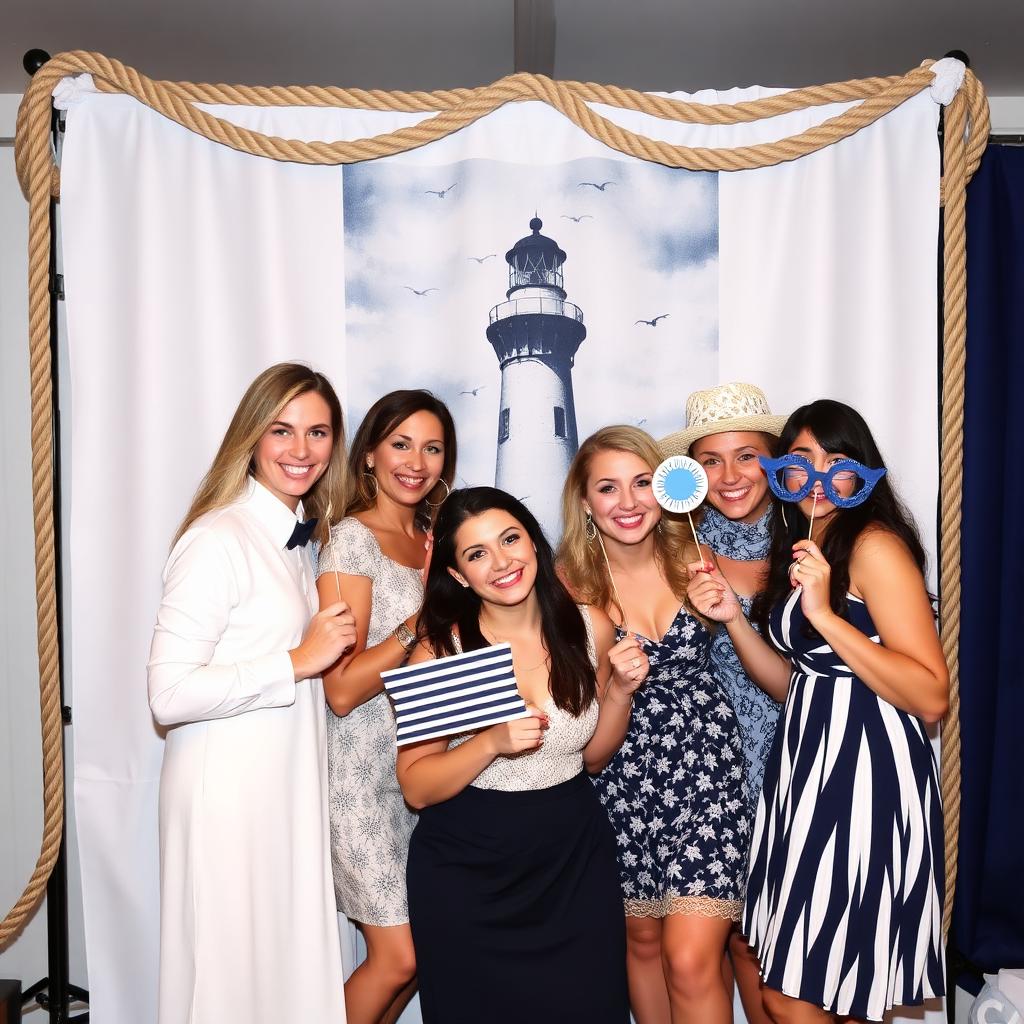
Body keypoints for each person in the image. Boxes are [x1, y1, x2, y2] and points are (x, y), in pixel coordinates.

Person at [687, 399, 947, 1023]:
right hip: (805, 768)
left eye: (839, 461)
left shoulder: (873, 546)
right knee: (817, 988)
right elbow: (795, 682)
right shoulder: (806, 541)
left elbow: (932, 693)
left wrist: (826, 616)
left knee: (799, 994)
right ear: (784, 472)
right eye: (802, 460)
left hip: (864, 778)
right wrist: (734, 623)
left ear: (864, 474)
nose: (819, 475)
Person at [148, 362, 355, 1024]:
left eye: (317, 432)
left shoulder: (300, 543)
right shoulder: (217, 538)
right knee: (229, 984)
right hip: (227, 801)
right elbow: (168, 694)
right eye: (282, 431)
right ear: (252, 437)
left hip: (283, 796)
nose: (301, 451)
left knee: (281, 980)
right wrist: (296, 661)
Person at [398, 487, 647, 1024]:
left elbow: (593, 758)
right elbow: (416, 787)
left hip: (572, 856)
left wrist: (621, 695)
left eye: (510, 539)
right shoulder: (443, 649)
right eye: (477, 553)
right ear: (459, 575)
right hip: (469, 868)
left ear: (534, 543)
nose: (502, 561)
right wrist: (488, 743)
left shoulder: (587, 628)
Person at [558, 426, 751, 1024]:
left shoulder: (697, 558)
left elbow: (786, 598)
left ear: (666, 488)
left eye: (642, 482)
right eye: (608, 488)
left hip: (708, 774)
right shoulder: (567, 590)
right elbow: (587, 750)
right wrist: (616, 687)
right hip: (620, 781)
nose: (629, 501)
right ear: (585, 503)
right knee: (640, 946)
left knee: (691, 960)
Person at [315, 390, 455, 1024]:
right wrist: (416, 624)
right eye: (400, 443)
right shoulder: (351, 539)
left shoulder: (435, 538)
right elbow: (340, 689)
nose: (416, 461)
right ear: (368, 454)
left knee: (420, 952)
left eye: (432, 447)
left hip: (427, 766)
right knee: (396, 957)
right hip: (363, 775)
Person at [660, 382, 786, 1024]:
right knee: (730, 942)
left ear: (774, 459)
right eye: (711, 460)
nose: (730, 476)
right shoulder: (672, 547)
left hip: (798, 765)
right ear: (688, 473)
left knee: (778, 954)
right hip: (709, 775)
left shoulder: (813, 543)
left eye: (747, 456)